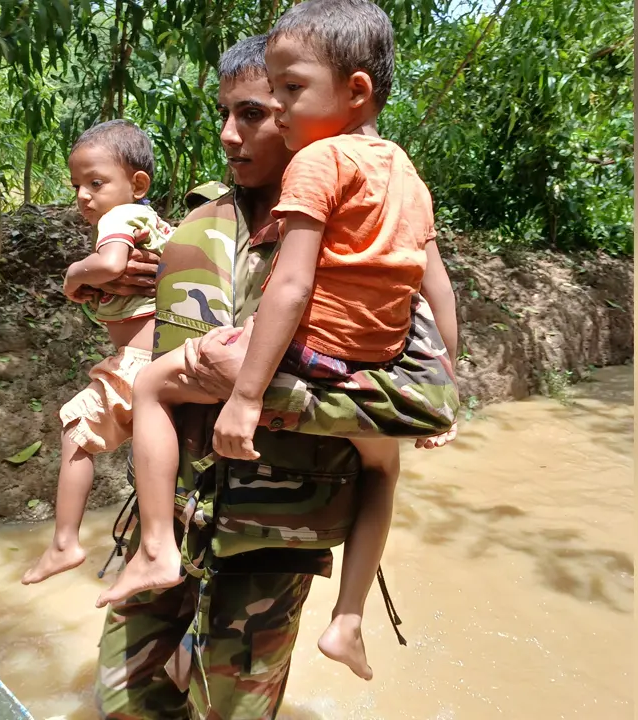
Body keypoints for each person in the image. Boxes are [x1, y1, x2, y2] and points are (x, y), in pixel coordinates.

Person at [90, 35, 460, 717]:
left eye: (256, 112)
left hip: (269, 546)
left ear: (304, 113)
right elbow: (144, 348)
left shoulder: (363, 246)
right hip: (166, 524)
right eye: (225, 113)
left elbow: (426, 401)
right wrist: (90, 288)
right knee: (123, 704)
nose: (232, 134)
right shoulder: (193, 226)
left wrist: (267, 395)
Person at [21, 120, 175, 585]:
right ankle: (153, 539)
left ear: (138, 184)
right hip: (164, 360)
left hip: (136, 363)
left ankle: (65, 544)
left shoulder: (118, 219)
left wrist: (73, 275)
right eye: (77, 187)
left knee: (76, 427)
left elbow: (108, 265)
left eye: (96, 182)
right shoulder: (157, 224)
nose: (83, 196)